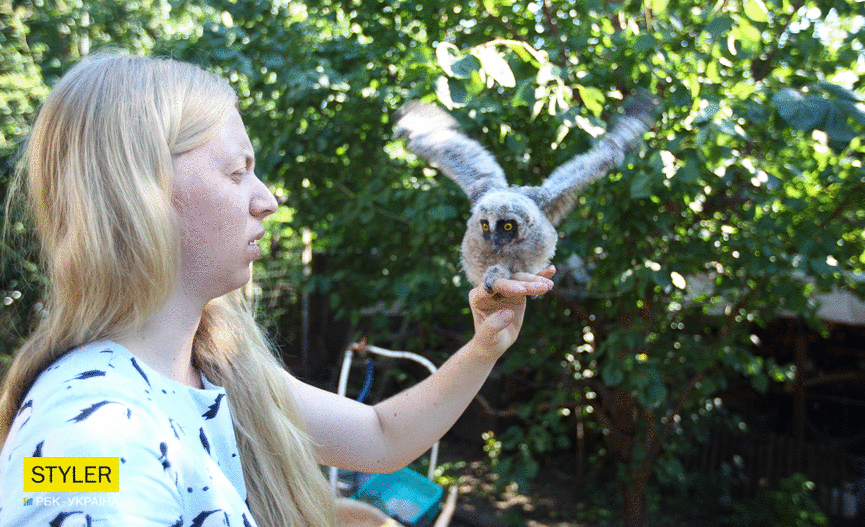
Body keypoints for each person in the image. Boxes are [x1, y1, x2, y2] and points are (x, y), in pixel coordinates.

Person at [0, 52, 554, 527]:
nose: (268, 200)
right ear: (141, 193)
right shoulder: (92, 432)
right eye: (238, 173)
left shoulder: (212, 368)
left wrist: (485, 346)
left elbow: (381, 436)